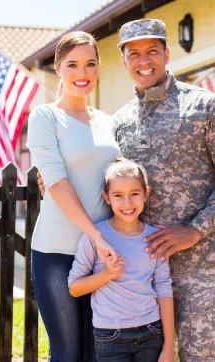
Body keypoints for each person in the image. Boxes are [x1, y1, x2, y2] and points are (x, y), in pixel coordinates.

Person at [38, 18, 215, 362]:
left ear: (166, 53)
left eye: (152, 51)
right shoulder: (117, 123)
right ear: (123, 61)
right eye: (133, 54)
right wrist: (51, 177)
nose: (143, 61)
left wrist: (195, 229)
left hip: (201, 272)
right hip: (136, 277)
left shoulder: (204, 108)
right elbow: (103, 174)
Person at [26, 31, 121, 361]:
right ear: (58, 68)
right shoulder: (45, 117)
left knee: (98, 351)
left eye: (90, 64)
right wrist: (97, 235)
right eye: (73, 65)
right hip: (56, 252)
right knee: (67, 353)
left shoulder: (109, 123)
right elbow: (56, 182)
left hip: (102, 255)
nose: (83, 73)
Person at [68, 158, 174, 362]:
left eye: (134, 194)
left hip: (152, 332)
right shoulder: (96, 237)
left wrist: (168, 346)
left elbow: (163, 288)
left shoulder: (154, 238)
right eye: (118, 195)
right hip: (110, 336)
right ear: (106, 197)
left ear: (146, 194)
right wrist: (106, 274)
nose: (127, 203)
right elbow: (74, 287)